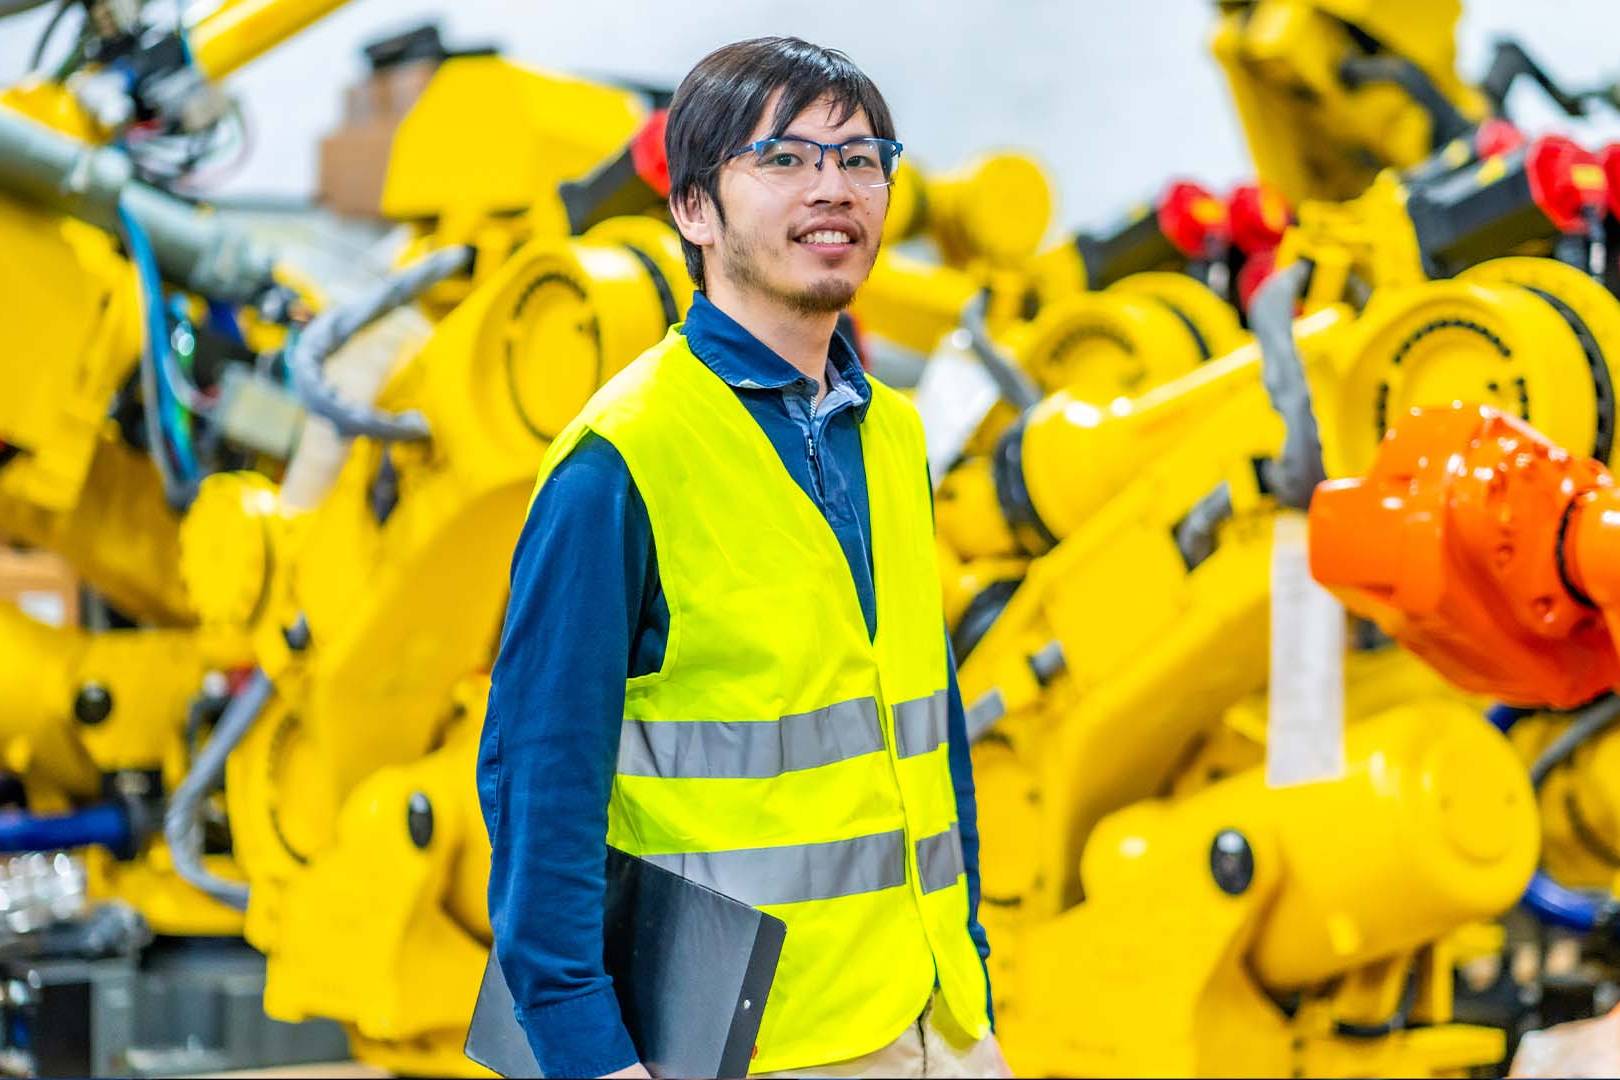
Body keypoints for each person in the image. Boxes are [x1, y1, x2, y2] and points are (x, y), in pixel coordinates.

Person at [479, 35, 1011, 1079]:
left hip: (933, 1017)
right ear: (693, 208)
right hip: (743, 1044)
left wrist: (971, 976)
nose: (834, 188)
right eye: (785, 159)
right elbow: (539, 779)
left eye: (861, 158)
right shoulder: (620, 464)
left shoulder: (894, 437)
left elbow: (927, 732)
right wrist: (590, 1055)